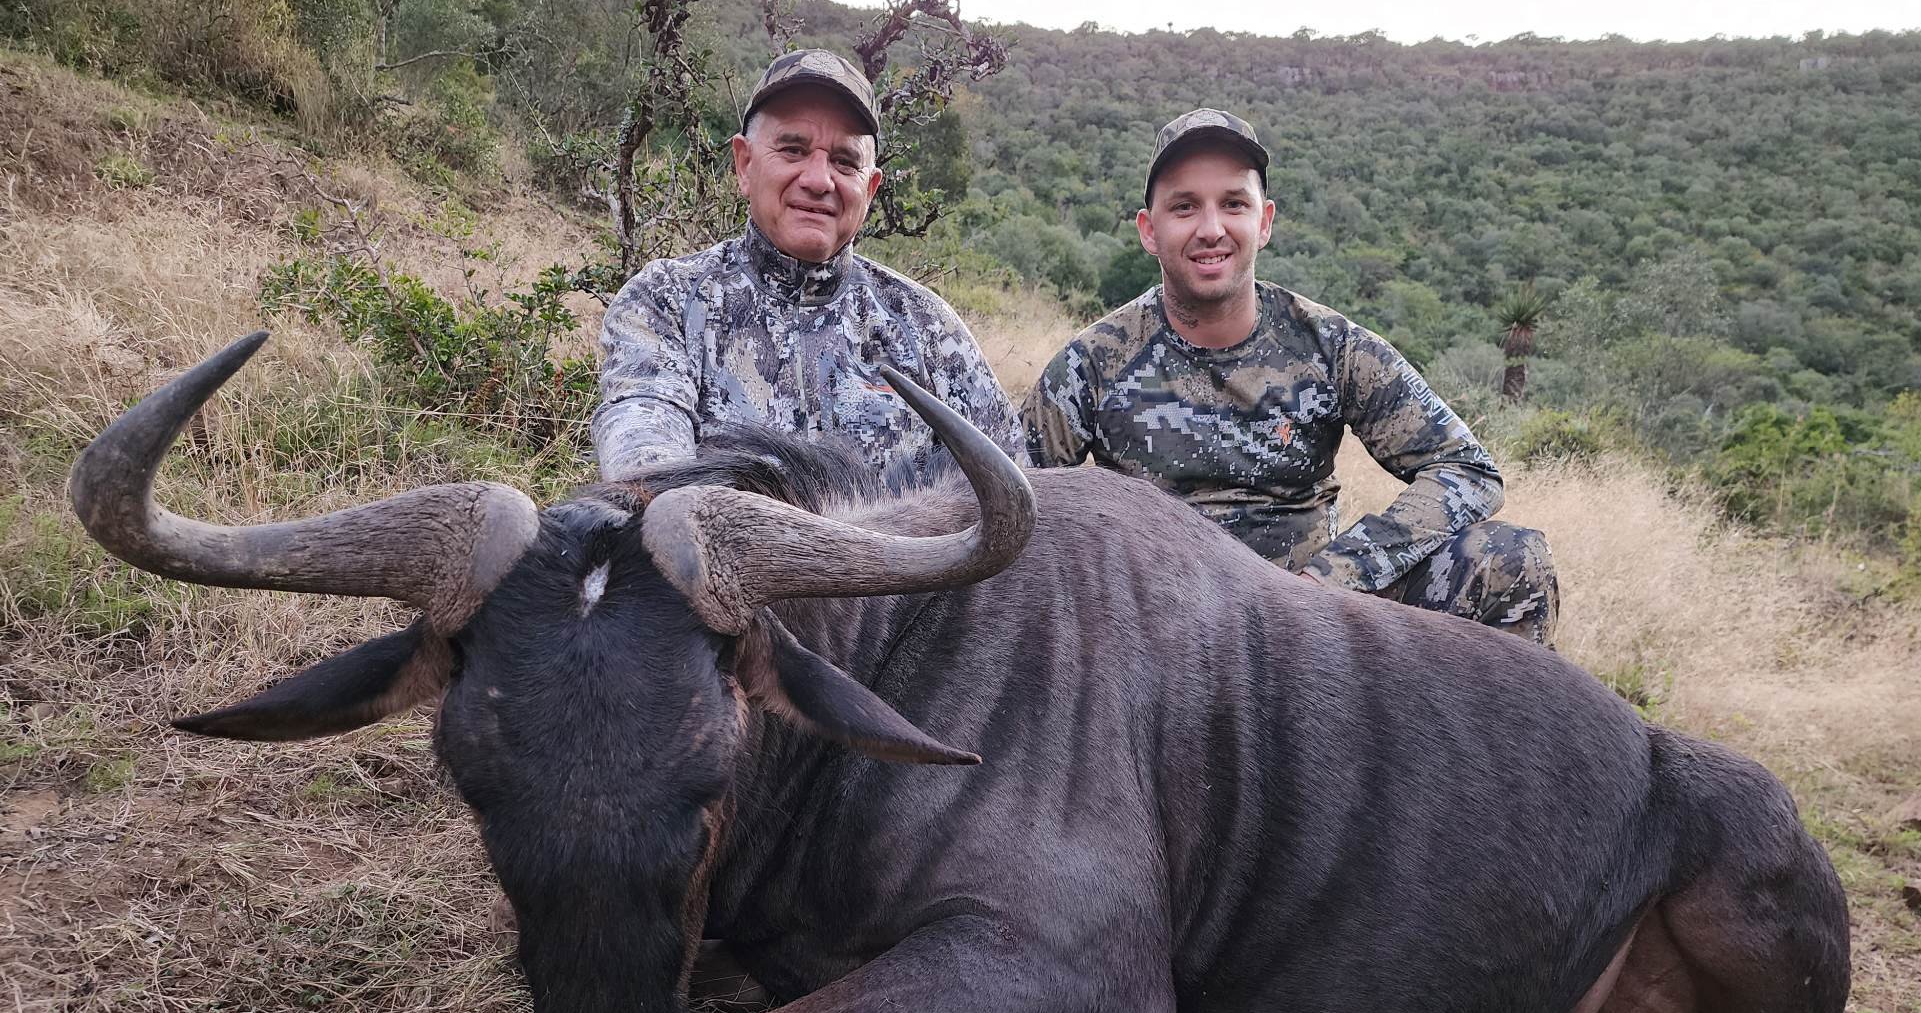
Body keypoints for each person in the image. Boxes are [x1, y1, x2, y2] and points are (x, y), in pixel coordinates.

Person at [1022, 108, 1559, 646]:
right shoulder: (1091, 364)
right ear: (1150, 230)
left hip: (1314, 629)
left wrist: (1328, 579)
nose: (1211, 229)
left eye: (1234, 204)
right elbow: (1010, 508)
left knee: (1510, 559)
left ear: (1265, 221)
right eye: (1184, 207)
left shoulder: (1332, 345)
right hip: (1157, 637)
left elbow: (1467, 471)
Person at [592, 49, 1021, 483]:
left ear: (869, 189)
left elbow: (1013, 486)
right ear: (744, 164)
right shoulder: (665, 302)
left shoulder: (928, 329)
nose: (818, 180)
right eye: (793, 149)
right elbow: (645, 463)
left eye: (844, 161)